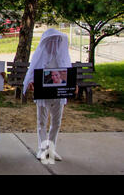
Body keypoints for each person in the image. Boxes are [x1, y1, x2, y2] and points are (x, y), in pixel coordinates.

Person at [23, 28, 78, 161]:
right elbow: (32, 72)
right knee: (42, 121)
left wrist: (73, 85)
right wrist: (31, 83)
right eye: (52, 41)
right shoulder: (40, 56)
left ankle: (51, 149)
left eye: (58, 41)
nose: (55, 44)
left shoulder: (64, 57)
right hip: (43, 95)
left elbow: (68, 73)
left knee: (56, 122)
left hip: (58, 95)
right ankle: (42, 149)